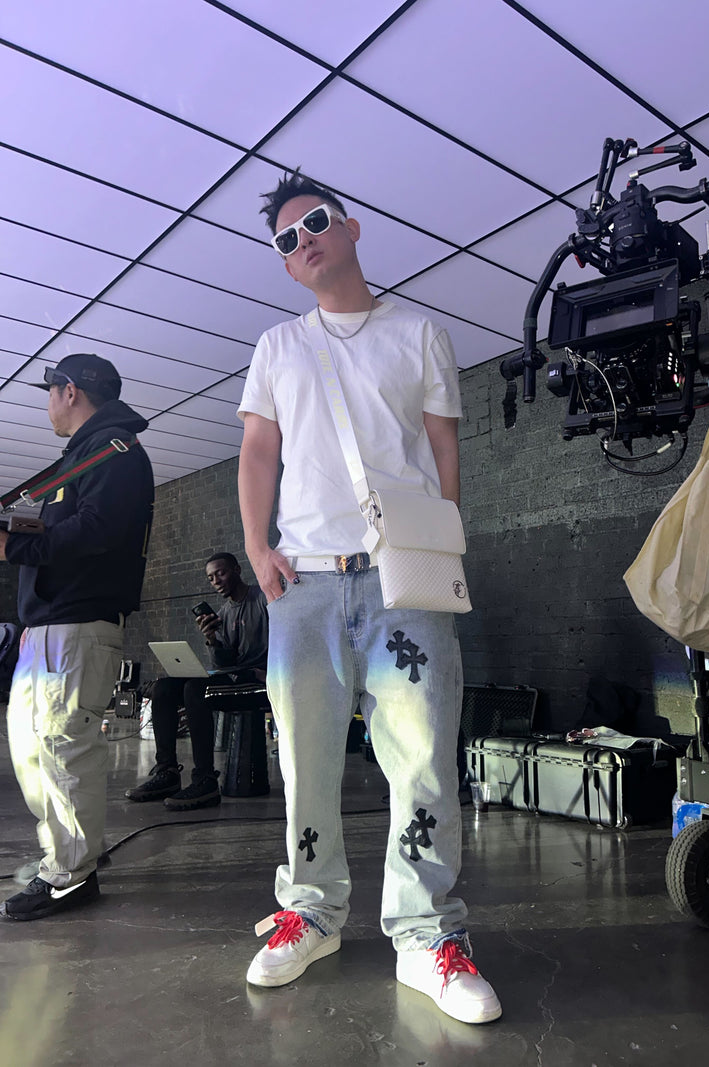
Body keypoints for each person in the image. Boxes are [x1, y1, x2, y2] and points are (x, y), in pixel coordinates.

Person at [236, 171, 501, 1025]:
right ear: (287, 265)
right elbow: (258, 452)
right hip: (304, 583)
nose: (303, 240)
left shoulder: (420, 334)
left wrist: (442, 543)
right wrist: (256, 546)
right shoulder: (278, 346)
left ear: (351, 227)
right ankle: (310, 911)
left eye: (314, 222)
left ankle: (426, 932)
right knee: (305, 758)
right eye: (286, 239)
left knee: (422, 756)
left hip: (402, 577)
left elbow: (444, 450)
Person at [0, 353, 154, 922]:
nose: (47, 404)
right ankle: (64, 854)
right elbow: (70, 528)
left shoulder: (117, 452)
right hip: (48, 628)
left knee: (65, 749)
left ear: (70, 391)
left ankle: (71, 873)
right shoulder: (86, 454)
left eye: (50, 392)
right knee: (33, 749)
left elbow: (96, 531)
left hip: (77, 625)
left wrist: (14, 547)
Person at [126, 552, 269, 810]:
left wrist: (273, 671)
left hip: (262, 679)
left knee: (195, 689)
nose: (216, 581)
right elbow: (225, 663)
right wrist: (212, 639)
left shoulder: (262, 599)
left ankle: (205, 779)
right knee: (164, 688)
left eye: (221, 573)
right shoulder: (223, 613)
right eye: (211, 578)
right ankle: (167, 772)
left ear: (237, 570)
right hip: (236, 677)